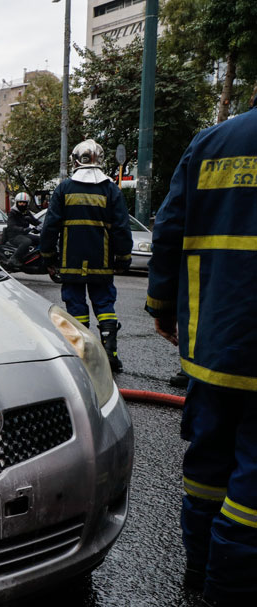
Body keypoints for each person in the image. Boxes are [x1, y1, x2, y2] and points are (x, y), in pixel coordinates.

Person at [145, 90, 257, 606]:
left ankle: (197, 572)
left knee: (209, 464)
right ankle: (228, 590)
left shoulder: (211, 143)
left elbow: (168, 231)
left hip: (213, 345)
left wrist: (160, 306)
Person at [40, 139, 132, 372]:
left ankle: (83, 356)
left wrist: (49, 259)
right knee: (105, 304)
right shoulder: (111, 189)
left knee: (76, 306)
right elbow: (121, 227)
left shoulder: (64, 188)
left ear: (74, 160)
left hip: (70, 263)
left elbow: (50, 226)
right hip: (101, 263)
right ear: (100, 160)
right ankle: (110, 354)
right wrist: (123, 258)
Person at [3, 192, 40, 269]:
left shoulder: (26, 212)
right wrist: (23, 229)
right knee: (27, 242)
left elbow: (35, 221)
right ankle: (13, 259)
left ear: (27, 203)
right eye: (20, 202)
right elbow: (11, 226)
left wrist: (44, 225)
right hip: (14, 236)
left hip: (24, 234)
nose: (22, 204)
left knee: (40, 239)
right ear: (16, 202)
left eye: (24, 202)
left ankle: (34, 258)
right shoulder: (13, 212)